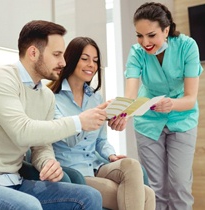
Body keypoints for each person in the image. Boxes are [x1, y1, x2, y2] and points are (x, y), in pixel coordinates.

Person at [0, 20, 108, 210]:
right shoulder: (1, 79)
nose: (63, 62)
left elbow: (41, 145)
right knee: (28, 206)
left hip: (14, 181)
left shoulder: (46, 95)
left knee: (89, 196)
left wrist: (48, 162)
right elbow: (22, 132)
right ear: (33, 53)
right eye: (56, 55)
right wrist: (78, 122)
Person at [48, 36, 155, 210]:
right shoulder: (52, 99)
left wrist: (111, 155)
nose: (91, 64)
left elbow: (101, 141)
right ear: (71, 59)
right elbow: (68, 139)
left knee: (132, 165)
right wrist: (89, 118)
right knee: (146, 196)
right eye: (85, 59)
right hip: (73, 173)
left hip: (96, 167)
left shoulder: (95, 97)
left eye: (95, 60)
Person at [124, 2, 203, 210]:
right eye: (139, 36)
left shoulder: (187, 47)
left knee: (180, 186)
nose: (145, 42)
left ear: (166, 30)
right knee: (154, 189)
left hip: (182, 119)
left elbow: (190, 98)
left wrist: (171, 104)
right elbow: (130, 94)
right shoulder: (137, 52)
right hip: (148, 122)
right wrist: (122, 113)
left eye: (151, 35)